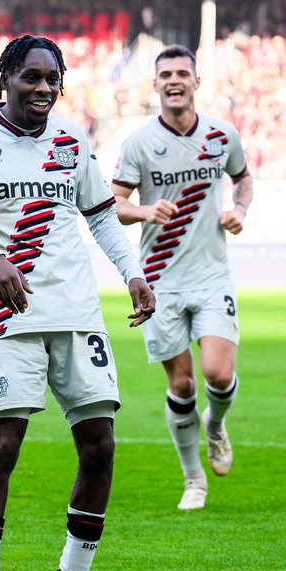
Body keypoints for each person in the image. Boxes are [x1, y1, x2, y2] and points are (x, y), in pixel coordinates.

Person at [0, 35, 156, 571]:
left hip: (78, 314)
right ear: (5, 78)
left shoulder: (71, 141)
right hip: (11, 315)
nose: (43, 89)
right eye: (31, 78)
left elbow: (103, 216)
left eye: (52, 80)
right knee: (3, 447)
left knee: (100, 445)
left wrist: (132, 272)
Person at [110, 45, 254, 510]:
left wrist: (240, 209)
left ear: (196, 82)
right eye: (165, 74)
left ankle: (215, 425)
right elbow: (114, 202)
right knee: (182, 385)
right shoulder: (138, 142)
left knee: (217, 371)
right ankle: (194, 478)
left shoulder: (221, 134)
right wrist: (143, 210)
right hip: (159, 280)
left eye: (182, 73)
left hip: (211, 276)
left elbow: (244, 178)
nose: (174, 80)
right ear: (154, 84)